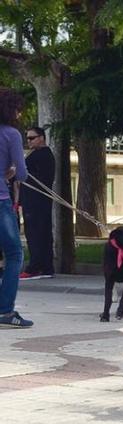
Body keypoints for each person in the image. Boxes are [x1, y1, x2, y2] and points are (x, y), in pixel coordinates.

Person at [0, 88, 33, 328]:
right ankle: (5, 311)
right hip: (0, 200)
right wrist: (11, 173)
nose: (20, 114)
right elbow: (21, 173)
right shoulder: (11, 134)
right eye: (18, 109)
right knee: (14, 255)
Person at [18, 126, 55, 280]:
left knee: (35, 233)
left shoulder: (42, 155)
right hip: (36, 200)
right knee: (42, 233)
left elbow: (38, 178)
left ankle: (35, 267)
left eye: (32, 138)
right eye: (27, 138)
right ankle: (46, 267)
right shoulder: (39, 155)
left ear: (41, 138)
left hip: (36, 201)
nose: (29, 141)